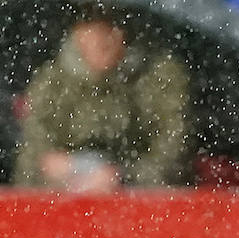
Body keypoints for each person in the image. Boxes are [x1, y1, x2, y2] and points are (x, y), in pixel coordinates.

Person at [14, 4, 191, 190]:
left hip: (141, 202)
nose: (100, 39)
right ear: (77, 33)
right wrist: (64, 172)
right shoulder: (52, 82)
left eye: (112, 26)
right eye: (91, 27)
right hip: (63, 202)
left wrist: (123, 176)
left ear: (127, 33)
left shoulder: (159, 77)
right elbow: (31, 157)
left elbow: (174, 152)